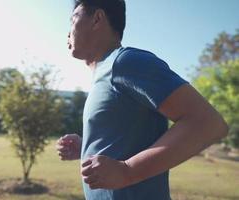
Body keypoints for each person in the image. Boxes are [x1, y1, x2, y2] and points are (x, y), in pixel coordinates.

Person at [56, 0, 228, 199]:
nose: (68, 33)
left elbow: (208, 124)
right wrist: (86, 147)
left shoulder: (127, 62)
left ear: (97, 19)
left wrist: (127, 170)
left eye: (73, 20)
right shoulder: (104, 74)